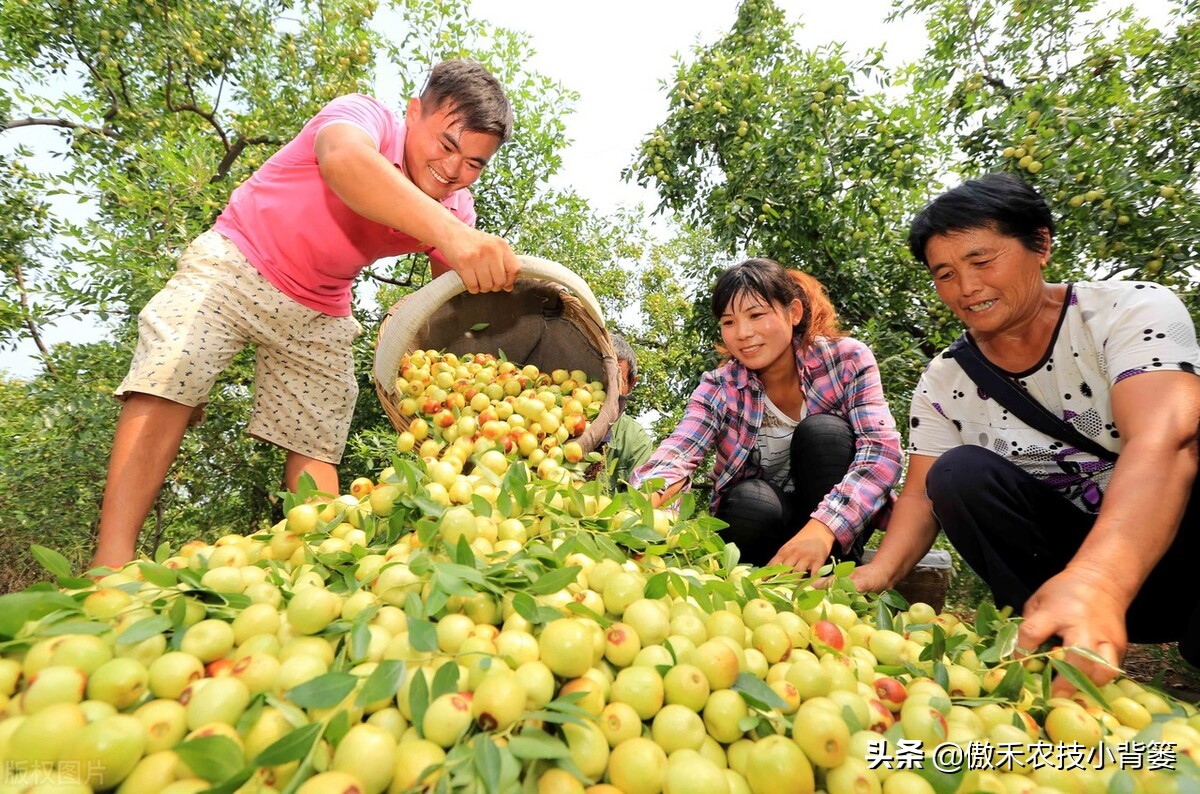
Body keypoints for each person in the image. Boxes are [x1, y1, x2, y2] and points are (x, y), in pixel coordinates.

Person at [91, 61, 520, 569]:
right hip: (239, 260)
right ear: (413, 113)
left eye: (473, 163)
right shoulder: (365, 118)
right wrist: (453, 237)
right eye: (447, 145)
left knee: (317, 433)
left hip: (321, 305)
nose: (453, 170)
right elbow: (344, 162)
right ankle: (109, 564)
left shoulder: (456, 210)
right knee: (174, 364)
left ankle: (323, 565)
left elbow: (457, 301)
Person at [850, 173, 1200, 684]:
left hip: (1168, 558)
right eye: (944, 273)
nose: (966, 288)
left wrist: (1099, 580)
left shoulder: (1130, 312)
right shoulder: (946, 381)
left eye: (982, 260)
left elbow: (1167, 440)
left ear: (1040, 245)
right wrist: (875, 574)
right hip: (1072, 579)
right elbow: (921, 497)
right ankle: (1050, 640)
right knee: (956, 473)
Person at [630, 258, 903, 572]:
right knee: (750, 499)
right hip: (766, 527)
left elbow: (882, 452)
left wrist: (824, 527)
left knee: (824, 433)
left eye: (756, 315)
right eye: (729, 322)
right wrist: (646, 500)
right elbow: (681, 449)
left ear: (794, 313)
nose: (743, 333)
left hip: (834, 527)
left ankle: (834, 578)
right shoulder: (721, 386)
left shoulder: (846, 360)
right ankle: (756, 588)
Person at [600, 333, 655, 488]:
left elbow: (638, 505)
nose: (608, 389)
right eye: (601, 377)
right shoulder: (557, 422)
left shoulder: (636, 443)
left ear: (631, 385)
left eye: (617, 380)